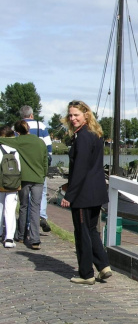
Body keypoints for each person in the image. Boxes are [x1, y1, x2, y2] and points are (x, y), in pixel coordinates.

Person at [60, 100, 112, 285]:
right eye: (71, 115)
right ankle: (104, 265)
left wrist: (69, 195)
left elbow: (80, 168)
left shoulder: (82, 136)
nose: (73, 118)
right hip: (96, 190)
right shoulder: (95, 134)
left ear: (86, 115)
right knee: (91, 230)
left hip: (83, 194)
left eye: (76, 115)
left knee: (82, 232)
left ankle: (86, 274)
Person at [0, 121, 48, 250]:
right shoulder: (40, 142)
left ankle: (21, 235)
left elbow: (3, 140)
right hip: (38, 178)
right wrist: (43, 174)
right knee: (35, 208)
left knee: (23, 206)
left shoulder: (19, 141)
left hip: (24, 178)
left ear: (17, 131)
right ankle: (35, 239)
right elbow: (45, 161)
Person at [20, 105, 53, 233]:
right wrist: (48, 161)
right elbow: (48, 147)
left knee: (26, 195)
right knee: (42, 191)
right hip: (40, 165)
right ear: (32, 115)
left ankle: (28, 222)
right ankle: (42, 215)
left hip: (25, 165)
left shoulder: (17, 127)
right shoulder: (41, 126)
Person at [0, 126, 21, 248]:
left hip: (1, 182)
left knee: (0, 208)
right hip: (13, 183)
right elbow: (19, 168)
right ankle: (9, 238)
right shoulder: (15, 149)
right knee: (10, 209)